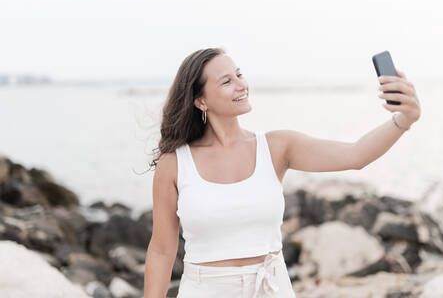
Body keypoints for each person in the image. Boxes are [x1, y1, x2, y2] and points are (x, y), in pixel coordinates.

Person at [143, 47, 421, 298]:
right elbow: (161, 251)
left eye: (239, 75)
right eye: (227, 81)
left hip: (271, 288)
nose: (242, 85)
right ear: (201, 101)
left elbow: (355, 155)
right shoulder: (175, 164)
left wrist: (404, 120)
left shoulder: (276, 147)